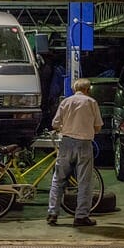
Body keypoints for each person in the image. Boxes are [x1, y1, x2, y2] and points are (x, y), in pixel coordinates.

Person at [47, 77, 103, 227]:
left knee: (58, 179)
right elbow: (98, 126)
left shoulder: (65, 102)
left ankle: (52, 213)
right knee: (84, 182)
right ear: (88, 89)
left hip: (66, 143)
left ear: (74, 89)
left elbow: (55, 124)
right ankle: (81, 216)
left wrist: (65, 128)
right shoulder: (91, 103)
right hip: (85, 144)